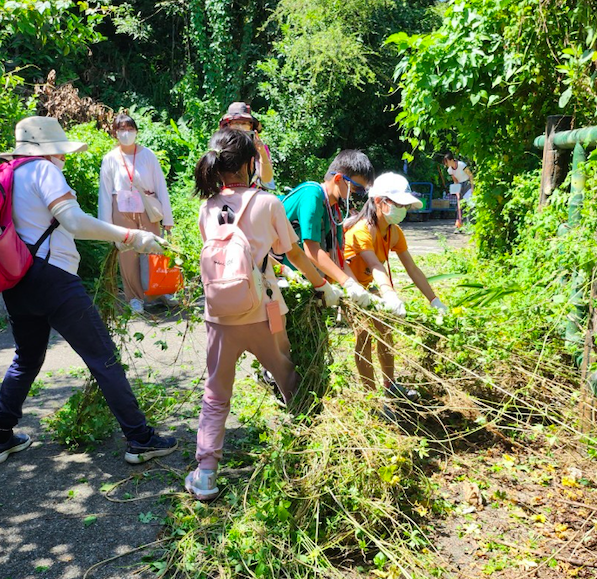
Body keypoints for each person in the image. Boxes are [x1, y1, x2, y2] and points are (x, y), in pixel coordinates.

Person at [0, 116, 177, 466]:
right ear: (49, 150)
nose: (63, 158)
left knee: (26, 358)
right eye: (60, 151)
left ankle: (0, 438)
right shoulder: (43, 172)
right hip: (54, 279)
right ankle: (141, 438)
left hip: (17, 280)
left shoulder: (9, 176)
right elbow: (74, 222)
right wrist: (131, 237)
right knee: (103, 357)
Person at [185, 128, 342, 501]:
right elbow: (295, 253)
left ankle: (206, 475)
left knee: (216, 395)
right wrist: (323, 286)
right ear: (250, 163)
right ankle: (306, 450)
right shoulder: (267, 202)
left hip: (219, 316)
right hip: (264, 311)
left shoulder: (205, 208)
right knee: (286, 375)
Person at [343, 173, 449, 398]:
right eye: (399, 204)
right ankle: (371, 397)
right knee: (364, 336)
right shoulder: (361, 230)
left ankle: (390, 386)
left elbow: (412, 268)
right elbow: (374, 265)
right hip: (348, 286)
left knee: (385, 330)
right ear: (380, 202)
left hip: (368, 286)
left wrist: (434, 300)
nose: (403, 209)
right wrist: (389, 294)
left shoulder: (393, 232)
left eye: (405, 205)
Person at [98, 113, 175, 314]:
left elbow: (161, 186)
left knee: (155, 249)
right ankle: (134, 298)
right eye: (121, 129)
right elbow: (105, 194)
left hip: (148, 208)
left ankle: (161, 292)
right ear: (115, 133)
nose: (126, 133)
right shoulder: (110, 159)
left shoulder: (148, 155)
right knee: (128, 254)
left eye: (130, 129)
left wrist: (168, 218)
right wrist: (105, 227)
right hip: (121, 210)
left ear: (136, 132)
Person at [279, 150, 375, 307]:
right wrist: (347, 283)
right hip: (281, 276)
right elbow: (312, 250)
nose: (357, 195)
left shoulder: (335, 212)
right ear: (338, 179)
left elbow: (338, 258)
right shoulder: (312, 194)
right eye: (357, 188)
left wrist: (357, 287)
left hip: (306, 281)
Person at [219, 102, 275, 191]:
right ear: (229, 126)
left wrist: (262, 152)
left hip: (254, 197)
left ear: (251, 126)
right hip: (227, 196)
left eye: (244, 124)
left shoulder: (260, 149)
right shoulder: (221, 146)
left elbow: (267, 179)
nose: (240, 128)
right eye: (236, 123)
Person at [442, 152, 474, 231]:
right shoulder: (450, 170)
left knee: (469, 204)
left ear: (452, 160)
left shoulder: (461, 165)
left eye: (447, 162)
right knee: (460, 207)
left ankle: (470, 226)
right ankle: (459, 226)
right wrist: (457, 192)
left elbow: (470, 175)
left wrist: (472, 188)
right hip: (459, 185)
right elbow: (455, 180)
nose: (446, 164)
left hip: (467, 184)